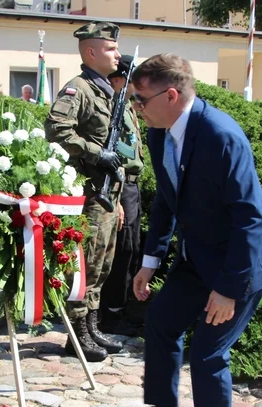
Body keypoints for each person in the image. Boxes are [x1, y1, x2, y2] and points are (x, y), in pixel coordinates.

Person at [118, 54, 262, 407]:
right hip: (199, 255)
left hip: (242, 261)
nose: (136, 109)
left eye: (141, 100)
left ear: (171, 94)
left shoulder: (220, 135)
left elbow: (249, 217)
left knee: (208, 353)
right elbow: (166, 201)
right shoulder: (161, 134)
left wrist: (230, 289)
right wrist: (150, 261)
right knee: (160, 319)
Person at [45, 22, 123, 362]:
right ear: (91, 52)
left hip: (108, 195)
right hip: (89, 192)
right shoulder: (79, 89)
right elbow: (56, 129)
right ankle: (76, 336)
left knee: (102, 266)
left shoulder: (105, 89)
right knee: (86, 265)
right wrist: (94, 152)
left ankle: (91, 327)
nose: (117, 54)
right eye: (110, 49)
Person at [100, 55, 144, 336]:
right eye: (130, 78)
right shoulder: (113, 108)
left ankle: (123, 308)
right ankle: (111, 313)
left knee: (133, 247)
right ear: (118, 79)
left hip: (133, 185)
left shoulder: (126, 106)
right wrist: (116, 198)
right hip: (121, 184)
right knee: (122, 248)